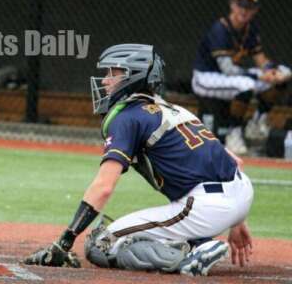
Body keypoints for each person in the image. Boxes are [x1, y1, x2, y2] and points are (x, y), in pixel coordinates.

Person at [23, 44, 253, 277]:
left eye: (113, 73)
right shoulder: (173, 109)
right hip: (240, 191)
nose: (105, 81)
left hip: (205, 207)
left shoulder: (127, 117)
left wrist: (65, 241)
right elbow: (233, 161)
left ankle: (190, 255)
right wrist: (237, 219)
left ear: (133, 76)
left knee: (99, 244)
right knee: (151, 227)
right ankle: (198, 243)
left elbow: (103, 187)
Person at [192, 0, 290, 155]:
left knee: (284, 74)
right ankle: (234, 131)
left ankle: (258, 120)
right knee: (246, 85)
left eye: (249, 6)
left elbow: (261, 59)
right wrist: (260, 76)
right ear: (232, 4)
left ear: (255, 10)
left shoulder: (249, 29)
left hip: (230, 78)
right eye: (240, 4)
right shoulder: (220, 29)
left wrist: (271, 71)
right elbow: (227, 69)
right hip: (206, 78)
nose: (244, 10)